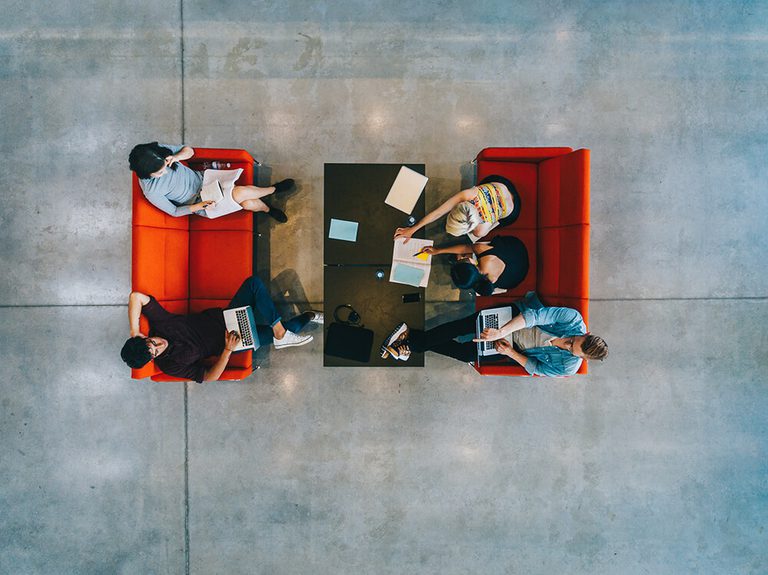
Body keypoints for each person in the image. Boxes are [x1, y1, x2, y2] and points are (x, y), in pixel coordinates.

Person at [120, 275, 322, 382]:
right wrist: (227, 350)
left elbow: (135, 296)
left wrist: (133, 330)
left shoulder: (161, 325)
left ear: (146, 337)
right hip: (232, 342)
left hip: (226, 317)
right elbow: (209, 377)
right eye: (155, 351)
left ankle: (280, 332)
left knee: (253, 284)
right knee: (287, 329)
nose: (159, 344)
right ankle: (309, 316)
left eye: (151, 341)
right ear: (153, 358)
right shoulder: (170, 365)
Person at [380, 292, 607, 377]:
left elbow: (537, 368)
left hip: (514, 347)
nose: (567, 344)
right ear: (584, 334)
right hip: (512, 319)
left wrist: (510, 352)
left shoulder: (568, 366)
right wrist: (501, 331)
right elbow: (536, 316)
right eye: (572, 341)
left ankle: (411, 339)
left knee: (464, 353)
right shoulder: (573, 320)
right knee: (463, 327)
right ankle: (413, 343)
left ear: (582, 358)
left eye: (570, 349)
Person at [129, 142, 295, 222]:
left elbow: (189, 151)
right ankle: (274, 190)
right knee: (241, 194)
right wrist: (197, 207)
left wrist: (177, 157)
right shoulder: (151, 191)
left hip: (205, 178)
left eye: (164, 166)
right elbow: (173, 211)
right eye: (159, 173)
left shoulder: (158, 151)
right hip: (202, 202)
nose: (165, 171)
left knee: (247, 203)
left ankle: (267, 209)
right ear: (147, 174)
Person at [393, 175, 521, 242]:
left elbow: (480, 231)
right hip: (499, 185)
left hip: (512, 209)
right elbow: (438, 213)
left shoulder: (481, 230)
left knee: (496, 224)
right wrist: (412, 229)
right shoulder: (468, 194)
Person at [417, 235, 529, 296]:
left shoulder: (486, 283)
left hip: (516, 276)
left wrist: (439, 251)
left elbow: (466, 250)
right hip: (517, 250)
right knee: (466, 251)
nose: (463, 258)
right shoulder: (485, 256)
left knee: (461, 254)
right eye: (463, 259)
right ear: (472, 263)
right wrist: (438, 251)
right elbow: (466, 247)